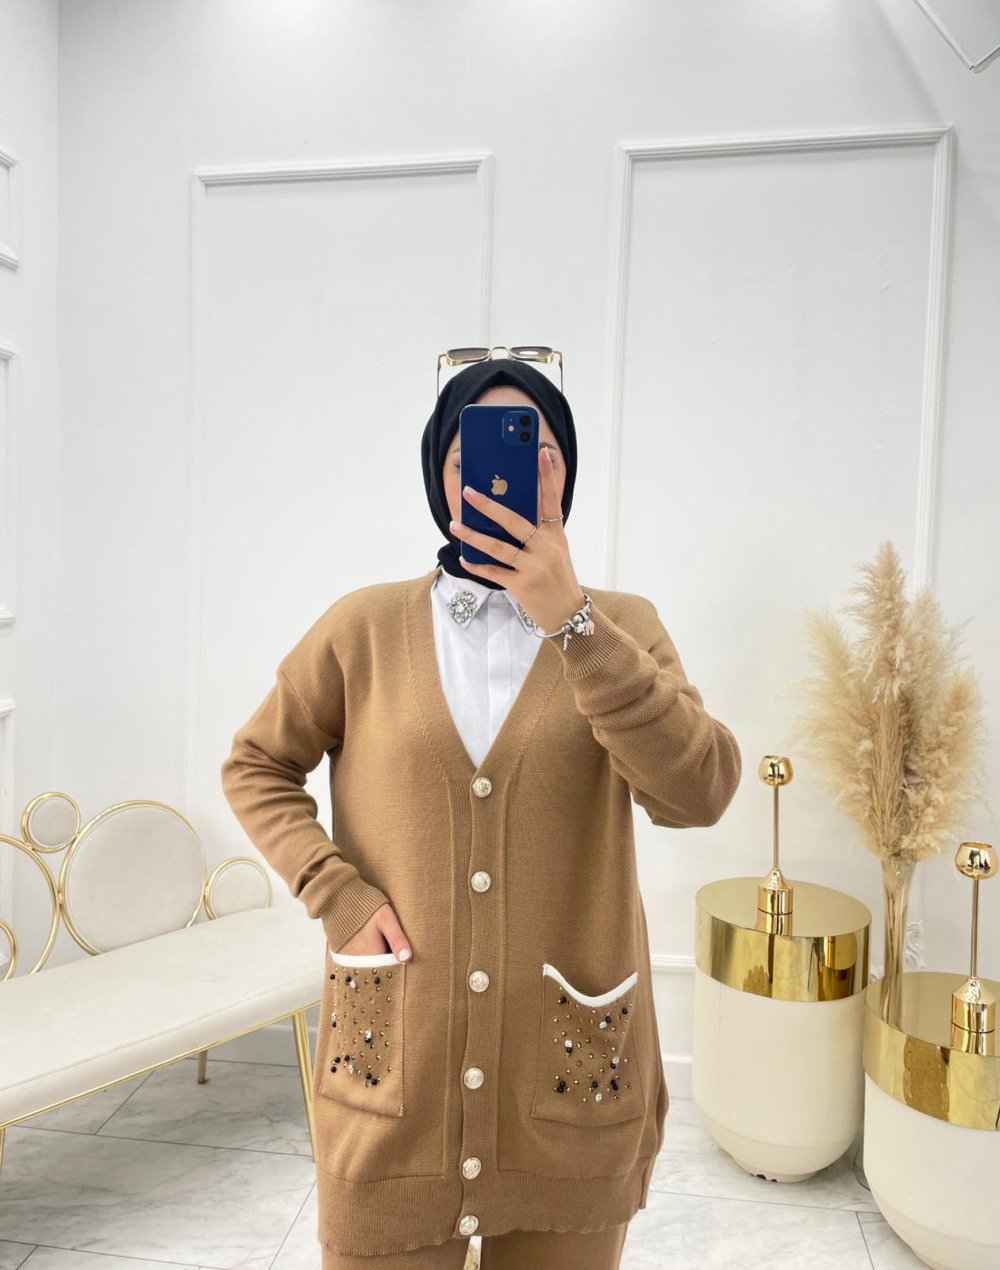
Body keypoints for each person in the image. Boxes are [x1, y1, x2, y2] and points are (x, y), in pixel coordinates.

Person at [221, 354, 743, 1270]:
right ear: (441, 475)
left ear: (564, 474)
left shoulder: (624, 626)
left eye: (537, 452)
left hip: (571, 1091)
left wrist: (574, 623)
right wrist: (336, 894)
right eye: (474, 456)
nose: (505, 475)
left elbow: (699, 792)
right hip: (398, 1080)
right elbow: (256, 763)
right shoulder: (362, 629)